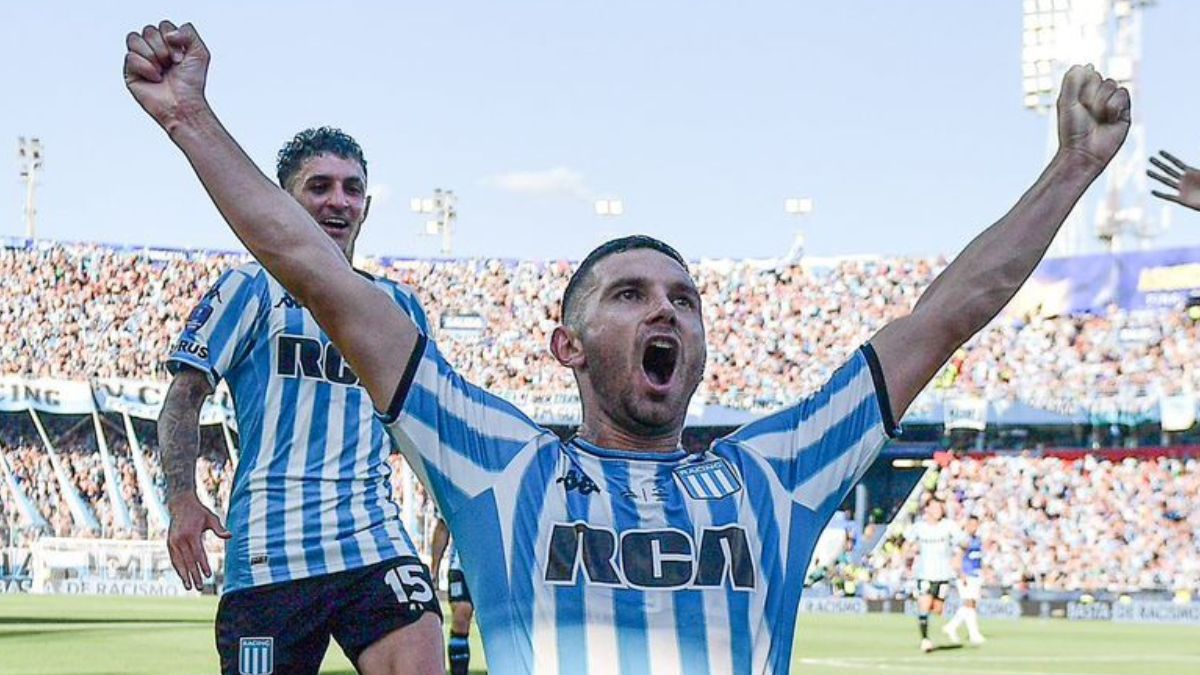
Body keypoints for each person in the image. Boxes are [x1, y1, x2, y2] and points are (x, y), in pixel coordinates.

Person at [125, 20, 1130, 674]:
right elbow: (318, 273)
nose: (668, 311)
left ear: (701, 346)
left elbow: (948, 312)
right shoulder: (502, 464)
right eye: (631, 292)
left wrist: (1074, 169)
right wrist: (193, 121)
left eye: (685, 299)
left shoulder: (773, 472)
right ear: (564, 344)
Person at [156, 124, 444, 675]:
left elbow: (427, 430)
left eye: (351, 188)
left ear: (366, 204)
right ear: (283, 201)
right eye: (319, 187)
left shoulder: (400, 306)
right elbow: (184, 396)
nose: (338, 200)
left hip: (373, 540)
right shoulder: (250, 288)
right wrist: (182, 499)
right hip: (271, 549)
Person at [430, 518, 475, 675]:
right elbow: (442, 527)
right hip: (460, 564)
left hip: (494, 564)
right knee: (462, 613)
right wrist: (434, 568)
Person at [943, 515, 986, 645]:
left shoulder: (977, 539)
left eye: (976, 525)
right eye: (972, 525)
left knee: (971, 604)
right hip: (966, 575)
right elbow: (957, 559)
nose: (974, 527)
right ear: (967, 525)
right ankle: (974, 634)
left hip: (975, 574)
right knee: (969, 603)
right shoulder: (963, 540)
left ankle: (951, 627)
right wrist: (961, 574)